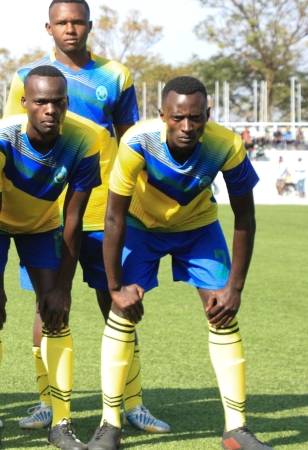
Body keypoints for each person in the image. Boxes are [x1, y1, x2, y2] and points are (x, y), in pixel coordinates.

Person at [2, 0, 163, 435]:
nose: (70, 29)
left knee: (117, 300)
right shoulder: (27, 78)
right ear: (48, 28)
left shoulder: (115, 76)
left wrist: (140, 199)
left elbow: (132, 140)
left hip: (105, 208)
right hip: (47, 211)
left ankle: (132, 401)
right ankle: (46, 401)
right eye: (62, 22)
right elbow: (13, 137)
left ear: (90, 27)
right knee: (46, 302)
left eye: (78, 22)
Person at [86, 76, 271, 450]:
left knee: (223, 312)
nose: (187, 127)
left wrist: (234, 287)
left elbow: (245, 219)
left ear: (207, 115)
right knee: (120, 313)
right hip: (140, 225)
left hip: (197, 227)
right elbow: (113, 218)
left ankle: (236, 430)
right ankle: (110, 424)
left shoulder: (227, 145)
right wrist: (115, 286)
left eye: (196, 118)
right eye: (177, 118)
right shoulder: (137, 140)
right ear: (162, 115)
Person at [0, 66, 105, 450]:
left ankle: (61, 421)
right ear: (25, 104)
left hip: (43, 225)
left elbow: (74, 217)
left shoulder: (86, 140)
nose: (50, 109)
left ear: (67, 103)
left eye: (57, 102)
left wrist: (62, 288)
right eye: (41, 102)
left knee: (55, 312)